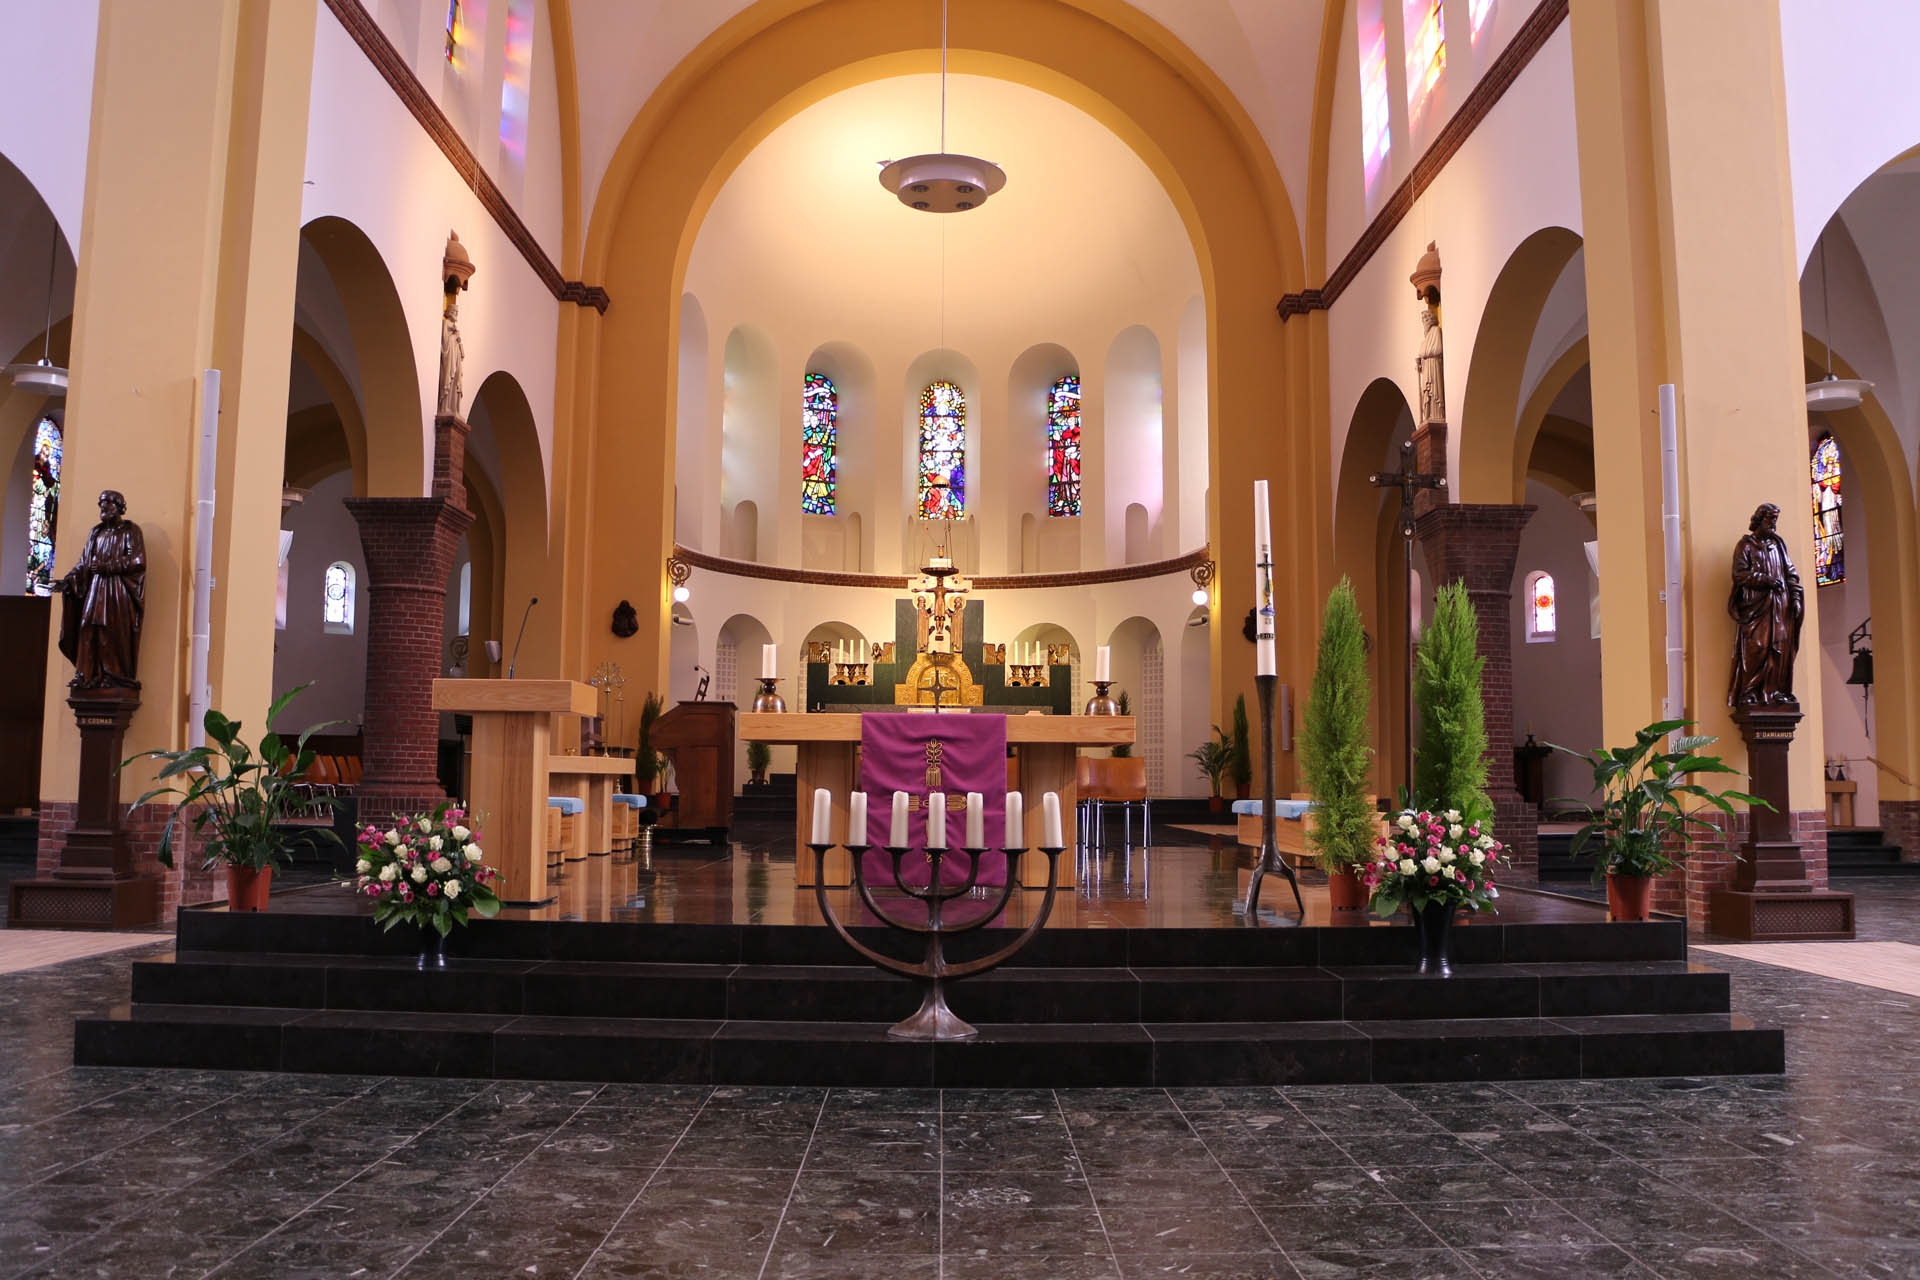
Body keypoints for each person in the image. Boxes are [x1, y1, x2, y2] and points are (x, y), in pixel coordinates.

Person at [59, 489, 146, 690]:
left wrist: (108, 567)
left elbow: (138, 560)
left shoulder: (130, 531)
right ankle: (87, 675)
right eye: (101, 504)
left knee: (111, 630)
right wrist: (69, 580)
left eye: (108, 503)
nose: (103, 507)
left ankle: (113, 675)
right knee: (87, 627)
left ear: (119, 507)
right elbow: (84, 563)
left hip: (117, 590)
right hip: (96, 587)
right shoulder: (96, 532)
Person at [1727, 502, 1803, 707]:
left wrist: (1796, 599)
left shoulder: (1778, 545)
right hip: (1757, 607)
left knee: (1780, 648)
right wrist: (1765, 579)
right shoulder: (1746, 545)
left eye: (1775, 520)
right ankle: (1749, 692)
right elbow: (1739, 574)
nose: (1773, 524)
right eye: (1770, 520)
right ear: (1759, 520)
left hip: (1780, 606)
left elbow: (1791, 574)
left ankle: (1775, 691)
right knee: (1757, 647)